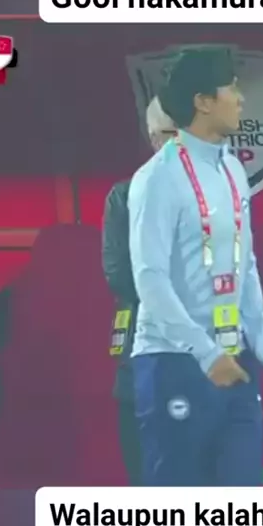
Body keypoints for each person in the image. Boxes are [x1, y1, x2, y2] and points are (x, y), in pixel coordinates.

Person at [128, 47, 263, 487]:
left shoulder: (233, 170)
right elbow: (150, 278)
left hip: (235, 357)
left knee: (240, 497)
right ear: (202, 101)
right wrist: (206, 352)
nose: (240, 98)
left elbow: (245, 263)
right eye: (231, 88)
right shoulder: (157, 178)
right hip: (175, 360)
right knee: (179, 508)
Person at [102, 97, 176, 484]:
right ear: (154, 138)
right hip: (142, 361)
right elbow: (120, 275)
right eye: (174, 134)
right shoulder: (124, 198)